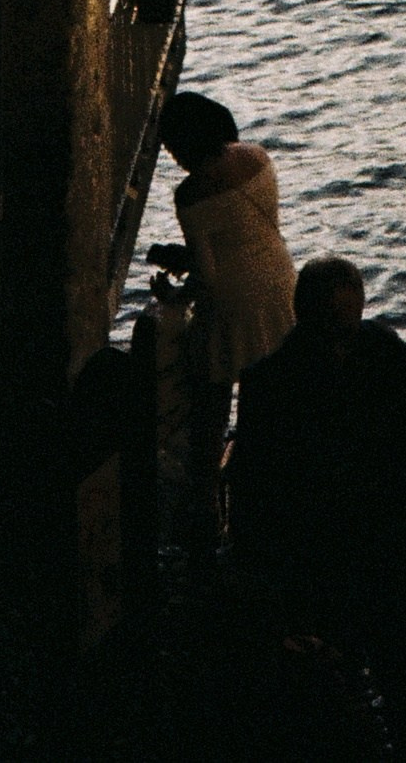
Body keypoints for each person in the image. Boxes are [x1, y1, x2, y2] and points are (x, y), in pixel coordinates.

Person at [228, 257, 406, 762]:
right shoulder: (386, 359)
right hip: (364, 564)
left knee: (347, 701)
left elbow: (251, 498)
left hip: (335, 566)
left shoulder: (269, 385)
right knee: (401, 694)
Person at [157, 92, 298, 552]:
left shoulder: (191, 195)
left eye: (173, 148)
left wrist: (172, 295)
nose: (173, 159)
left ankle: (208, 518)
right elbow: (247, 234)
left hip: (233, 310)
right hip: (280, 287)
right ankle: (275, 511)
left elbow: (210, 277)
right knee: (270, 408)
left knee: (211, 412)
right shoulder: (257, 159)